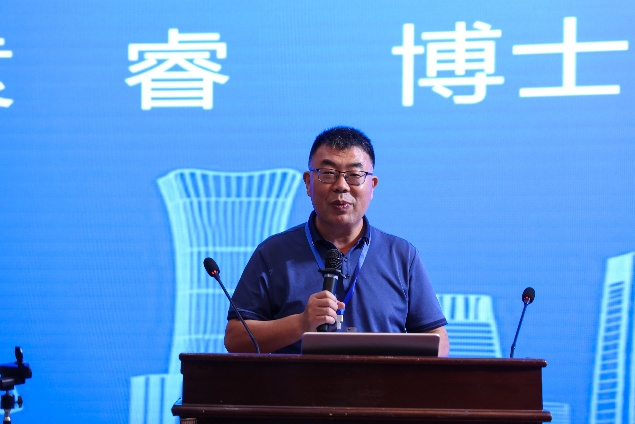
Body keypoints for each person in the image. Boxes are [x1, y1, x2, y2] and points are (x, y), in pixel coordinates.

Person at [224, 126, 449, 356]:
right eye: (328, 173)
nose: (341, 185)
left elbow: (438, 342)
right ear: (308, 183)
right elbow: (235, 339)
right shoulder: (273, 253)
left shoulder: (401, 255)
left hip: (381, 381)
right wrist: (300, 323)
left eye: (355, 175)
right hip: (298, 381)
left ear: (372, 186)